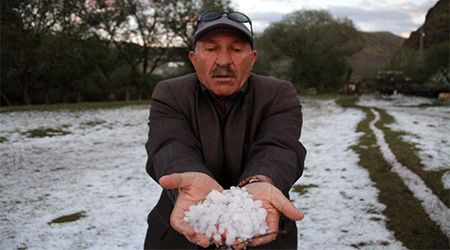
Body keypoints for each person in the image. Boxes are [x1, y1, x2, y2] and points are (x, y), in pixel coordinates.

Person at [144, 11, 307, 249]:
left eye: (236, 49)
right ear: (194, 58)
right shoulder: (170, 93)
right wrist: (188, 177)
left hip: (262, 232)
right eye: (210, 49)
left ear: (252, 58)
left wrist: (260, 180)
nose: (223, 61)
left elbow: (279, 145)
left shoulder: (279, 93)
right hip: (179, 237)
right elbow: (170, 143)